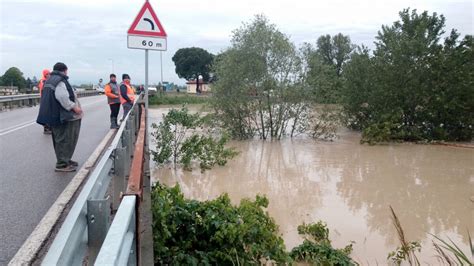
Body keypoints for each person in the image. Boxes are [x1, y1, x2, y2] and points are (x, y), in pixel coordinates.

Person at [36, 62, 83, 172]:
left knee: (60, 138)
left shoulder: (50, 80)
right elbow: (63, 97)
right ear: (64, 70)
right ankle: (62, 164)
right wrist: (74, 107)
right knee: (65, 139)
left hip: (53, 114)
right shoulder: (59, 81)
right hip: (61, 115)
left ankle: (65, 159)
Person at [38, 69, 52, 134]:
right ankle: (46, 129)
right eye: (48, 74)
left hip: (45, 98)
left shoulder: (44, 80)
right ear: (45, 74)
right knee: (46, 114)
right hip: (44, 99)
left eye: (49, 73)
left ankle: (48, 128)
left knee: (47, 113)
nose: (49, 75)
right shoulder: (43, 81)